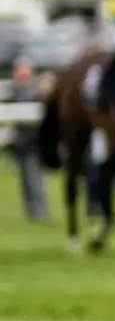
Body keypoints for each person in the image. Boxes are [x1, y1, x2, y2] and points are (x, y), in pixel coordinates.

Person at [8, 58, 48, 222]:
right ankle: (32, 213)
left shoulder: (37, 90)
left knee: (35, 178)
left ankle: (40, 213)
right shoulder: (13, 91)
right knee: (26, 179)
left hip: (34, 142)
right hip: (20, 143)